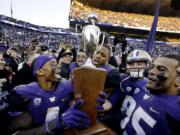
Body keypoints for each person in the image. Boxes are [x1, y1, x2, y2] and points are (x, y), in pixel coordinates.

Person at [0, 55, 89, 135]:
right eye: (53, 64)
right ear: (40, 71)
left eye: (58, 63)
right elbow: (16, 133)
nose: (59, 66)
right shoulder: (23, 92)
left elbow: (89, 98)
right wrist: (56, 124)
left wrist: (96, 101)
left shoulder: (68, 85)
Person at [101, 54, 180, 135]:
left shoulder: (174, 110)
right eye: (152, 67)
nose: (152, 71)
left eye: (161, 69)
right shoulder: (127, 81)